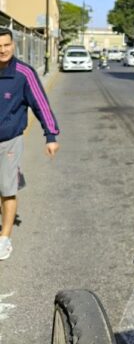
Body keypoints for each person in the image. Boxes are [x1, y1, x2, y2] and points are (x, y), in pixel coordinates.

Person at [0, 28, 60, 260]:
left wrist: (51, 135)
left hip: (9, 141)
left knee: (6, 190)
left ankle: (5, 238)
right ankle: (14, 174)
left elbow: (40, 104)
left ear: (13, 45)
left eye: (6, 45)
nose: (3, 50)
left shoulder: (24, 73)